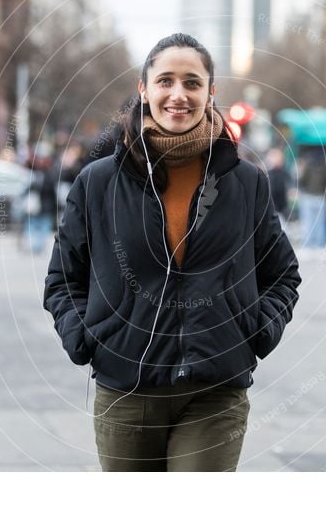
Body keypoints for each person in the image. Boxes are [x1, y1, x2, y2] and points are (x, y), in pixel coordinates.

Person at [44, 33, 301, 472]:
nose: (178, 95)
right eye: (165, 81)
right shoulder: (98, 182)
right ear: (144, 89)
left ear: (210, 92)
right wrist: (87, 338)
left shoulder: (247, 183)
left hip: (215, 391)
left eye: (192, 82)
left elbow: (283, 275)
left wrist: (256, 332)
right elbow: (63, 279)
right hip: (126, 391)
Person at [297, 149, 326, 253]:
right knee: (321, 223)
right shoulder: (325, 167)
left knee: (307, 222)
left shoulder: (308, 166)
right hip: (321, 197)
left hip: (308, 196)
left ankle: (307, 246)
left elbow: (302, 180)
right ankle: (320, 246)